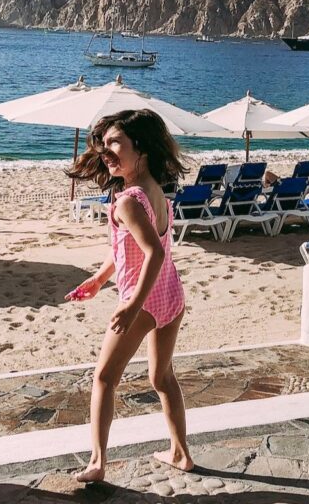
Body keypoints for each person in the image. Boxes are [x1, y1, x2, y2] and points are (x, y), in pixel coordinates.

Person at [66, 109, 193, 483]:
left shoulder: (127, 200)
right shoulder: (156, 194)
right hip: (172, 295)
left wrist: (132, 303)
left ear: (142, 148)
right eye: (103, 144)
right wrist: (98, 278)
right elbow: (128, 248)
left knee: (104, 378)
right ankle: (180, 453)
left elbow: (152, 253)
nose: (106, 151)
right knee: (162, 378)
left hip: (146, 301)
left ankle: (97, 463)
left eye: (115, 143)